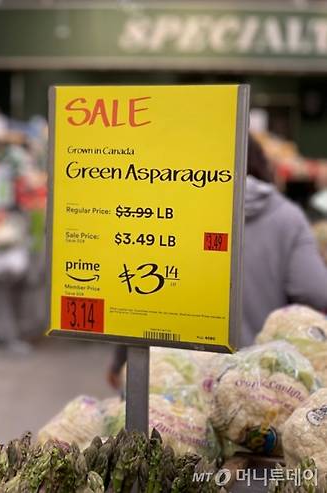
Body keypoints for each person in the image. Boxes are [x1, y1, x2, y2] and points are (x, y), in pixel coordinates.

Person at [106, 135, 327, 389]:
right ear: (260, 165)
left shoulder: (172, 209)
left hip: (180, 378)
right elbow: (315, 291)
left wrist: (120, 360)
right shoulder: (288, 217)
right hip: (260, 380)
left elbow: (139, 289)